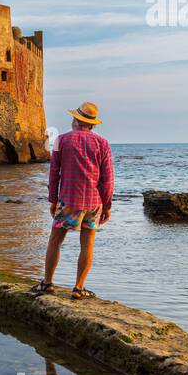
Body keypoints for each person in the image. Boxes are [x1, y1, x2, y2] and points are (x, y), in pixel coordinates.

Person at [31, 100, 113, 300]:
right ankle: (78, 288)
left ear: (76, 119)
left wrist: (53, 200)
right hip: (94, 203)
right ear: (92, 123)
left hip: (68, 200)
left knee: (55, 241)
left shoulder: (61, 140)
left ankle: (48, 284)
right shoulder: (102, 143)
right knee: (87, 245)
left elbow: (54, 174)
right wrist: (107, 205)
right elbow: (107, 178)